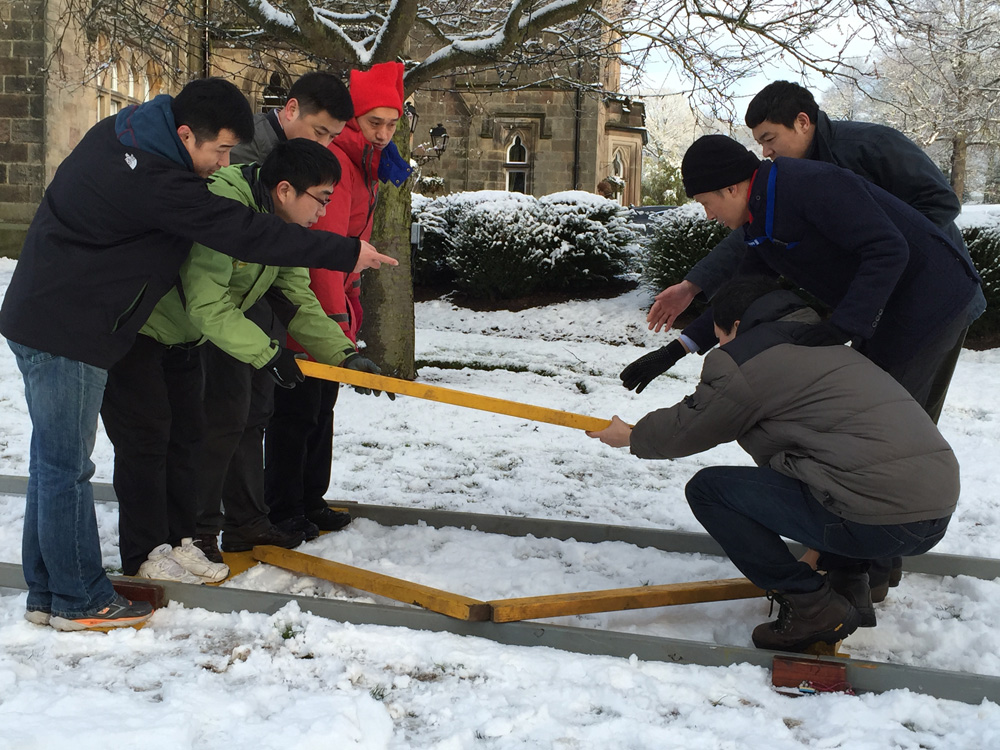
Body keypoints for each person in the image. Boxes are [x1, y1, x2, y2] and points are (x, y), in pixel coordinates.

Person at [0, 77, 397, 631]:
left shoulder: (127, 137)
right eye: (220, 150)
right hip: (71, 325)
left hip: (59, 316)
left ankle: (48, 592)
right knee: (66, 467)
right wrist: (344, 250)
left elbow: (280, 272)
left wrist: (341, 350)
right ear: (186, 134)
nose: (224, 162)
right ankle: (76, 598)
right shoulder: (160, 180)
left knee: (54, 465)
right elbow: (242, 235)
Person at [589, 276, 958, 652]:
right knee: (824, 471)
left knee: (709, 491)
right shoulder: (829, 346)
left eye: (719, 336)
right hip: (934, 510)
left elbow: (687, 429)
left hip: (879, 518)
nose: (721, 345)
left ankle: (811, 605)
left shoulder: (747, 361)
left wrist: (631, 436)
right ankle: (850, 587)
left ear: (736, 326)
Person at [626, 81, 985, 424]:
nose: (708, 215)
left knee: (889, 422)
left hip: (929, 300)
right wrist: (674, 351)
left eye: (707, 202)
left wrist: (841, 326)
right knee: (865, 415)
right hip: (885, 306)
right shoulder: (762, 215)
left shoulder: (817, 180)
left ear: (732, 188)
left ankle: (907, 484)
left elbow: (890, 247)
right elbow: (743, 291)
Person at [182, 71, 358, 564]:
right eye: (320, 201)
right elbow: (206, 301)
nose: (323, 216)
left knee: (252, 416)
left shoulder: (280, 224)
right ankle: (197, 532)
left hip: (238, 323)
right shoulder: (227, 202)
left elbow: (297, 295)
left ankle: (246, 522)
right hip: (193, 330)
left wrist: (344, 355)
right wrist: (267, 353)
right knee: (218, 424)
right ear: (284, 190)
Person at [264, 61, 411, 539]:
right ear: (354, 121)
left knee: (319, 410)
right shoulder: (341, 164)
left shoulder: (366, 162)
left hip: (334, 308)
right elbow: (321, 253)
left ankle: (309, 498)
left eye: (392, 123)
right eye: (374, 123)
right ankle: (285, 506)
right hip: (311, 311)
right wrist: (331, 329)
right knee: (298, 414)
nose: (384, 133)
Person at [233, 71, 354, 164]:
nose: (324, 145)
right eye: (319, 132)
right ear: (292, 109)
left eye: (332, 137)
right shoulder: (244, 148)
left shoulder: (304, 156)